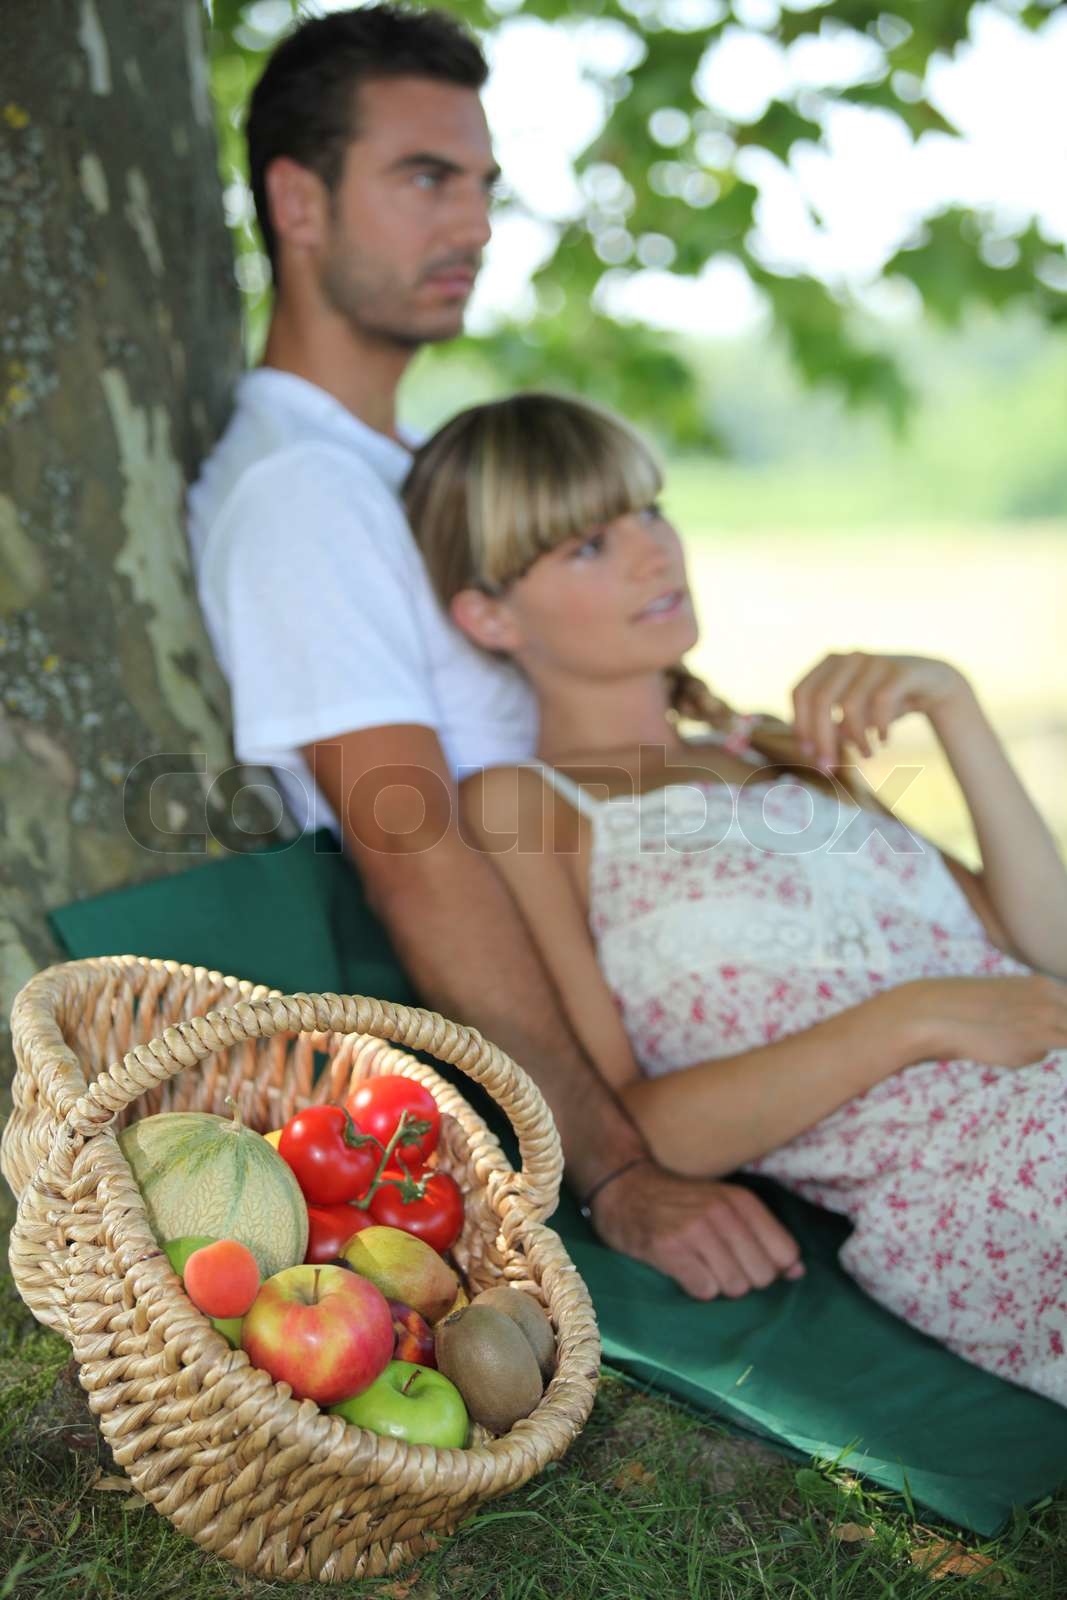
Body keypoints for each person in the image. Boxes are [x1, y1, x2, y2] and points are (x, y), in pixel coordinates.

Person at [186, 4, 805, 1299]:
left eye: (481, 186)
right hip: (627, 1041)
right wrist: (615, 1172)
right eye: (425, 179)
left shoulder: (398, 470)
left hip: (710, 952)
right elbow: (410, 844)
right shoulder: (302, 493)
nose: (470, 225)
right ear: (297, 203)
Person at [402, 390, 1067, 1403]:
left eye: (649, 510)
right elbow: (648, 1132)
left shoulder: (772, 748)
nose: (652, 554)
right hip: (985, 1178)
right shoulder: (527, 805)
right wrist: (913, 1018)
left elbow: (1041, 948)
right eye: (588, 545)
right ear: (488, 615)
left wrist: (952, 702)